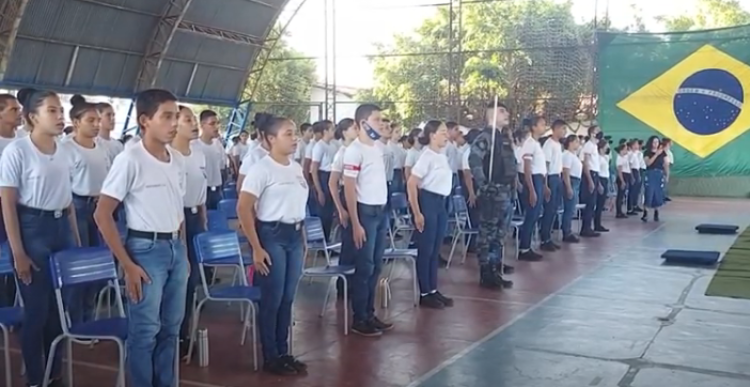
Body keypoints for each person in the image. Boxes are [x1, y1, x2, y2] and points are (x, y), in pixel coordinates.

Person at [94, 89, 189, 387]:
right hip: (146, 250)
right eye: (167, 117)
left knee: (171, 329)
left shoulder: (175, 160)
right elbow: (102, 214)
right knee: (145, 331)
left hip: (175, 248)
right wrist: (127, 264)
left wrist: (182, 249)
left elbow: (178, 209)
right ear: (145, 121)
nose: (174, 123)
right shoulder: (130, 159)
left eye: (176, 117)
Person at [0, 88, 81, 387]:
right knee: (37, 309)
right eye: (52, 111)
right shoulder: (17, 151)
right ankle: (36, 378)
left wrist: (75, 237)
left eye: (60, 110)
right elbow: (7, 203)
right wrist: (18, 251)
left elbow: (68, 198)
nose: (60, 116)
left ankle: (55, 373)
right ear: (32, 117)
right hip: (33, 229)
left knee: (60, 310)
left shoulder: (65, 149)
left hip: (61, 228)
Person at [236, 114, 308, 375]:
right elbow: (243, 208)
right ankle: (271, 356)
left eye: (294, 133)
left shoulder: (296, 167)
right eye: (288, 134)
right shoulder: (261, 169)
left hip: (294, 235)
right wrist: (256, 247)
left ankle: (284, 351)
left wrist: (302, 237)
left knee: (288, 298)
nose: (294, 138)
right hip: (272, 236)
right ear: (270, 139)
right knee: (273, 298)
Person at [343, 104, 394, 336]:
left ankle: (369, 313)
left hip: (380, 211)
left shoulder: (377, 148)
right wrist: (355, 222)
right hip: (365, 213)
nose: (381, 123)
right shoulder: (355, 151)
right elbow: (350, 189)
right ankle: (359, 318)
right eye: (376, 120)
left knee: (376, 265)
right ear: (363, 123)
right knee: (364, 267)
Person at [63, 95, 112, 323]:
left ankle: (90, 314)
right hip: (77, 206)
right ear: (76, 122)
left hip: (99, 207)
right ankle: (75, 318)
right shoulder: (66, 149)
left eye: (97, 120)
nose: (96, 124)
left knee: (97, 263)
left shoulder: (102, 147)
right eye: (90, 120)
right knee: (80, 262)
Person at [169, 106, 208, 356]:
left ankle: (184, 334)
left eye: (194, 119)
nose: (194, 124)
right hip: (176, 221)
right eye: (187, 120)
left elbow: (200, 191)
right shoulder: (170, 156)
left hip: (195, 218)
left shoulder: (199, 154)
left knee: (191, 283)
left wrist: (203, 219)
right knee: (178, 281)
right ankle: (172, 337)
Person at [468, 102, 517, 289]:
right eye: (502, 111)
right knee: (487, 234)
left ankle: (495, 269)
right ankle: (486, 272)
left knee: (499, 234)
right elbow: (474, 159)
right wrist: (484, 184)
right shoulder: (486, 137)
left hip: (505, 192)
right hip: (492, 192)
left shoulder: (502, 138)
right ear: (491, 114)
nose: (507, 114)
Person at [407, 120, 454, 309]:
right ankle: (424, 292)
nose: (446, 135)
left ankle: (433, 289)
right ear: (432, 135)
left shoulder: (440, 155)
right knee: (425, 250)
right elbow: (412, 183)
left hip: (441, 203)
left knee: (435, 250)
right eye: (442, 132)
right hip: (428, 202)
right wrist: (417, 212)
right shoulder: (426, 156)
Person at [328, 118, 358, 297]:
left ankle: (355, 283)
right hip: (346, 198)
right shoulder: (342, 153)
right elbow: (332, 183)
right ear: (345, 132)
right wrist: (340, 209)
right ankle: (343, 286)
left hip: (358, 198)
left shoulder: (360, 150)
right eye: (354, 128)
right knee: (349, 246)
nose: (357, 130)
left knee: (359, 246)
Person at [518, 116, 547, 260]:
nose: (544, 127)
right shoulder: (530, 143)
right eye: (541, 124)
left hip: (538, 180)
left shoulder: (537, 144)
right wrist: (532, 190)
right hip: (532, 181)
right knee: (531, 215)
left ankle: (527, 245)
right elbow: (527, 169)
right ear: (534, 127)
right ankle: (524, 248)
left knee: (535, 215)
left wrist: (544, 186)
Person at [539, 119, 565, 252]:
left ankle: (548, 237)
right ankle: (544, 239)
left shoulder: (558, 145)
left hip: (558, 177)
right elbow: (546, 165)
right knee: (549, 209)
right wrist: (545, 184)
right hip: (551, 178)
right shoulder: (549, 144)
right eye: (562, 129)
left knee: (554, 208)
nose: (563, 132)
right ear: (555, 129)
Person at [310, 120, 337, 238]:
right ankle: (321, 240)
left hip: (331, 176)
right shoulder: (319, 146)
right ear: (325, 131)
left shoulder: (333, 145)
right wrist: (319, 190)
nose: (334, 131)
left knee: (330, 213)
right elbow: (313, 169)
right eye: (331, 129)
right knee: (323, 212)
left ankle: (327, 237)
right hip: (323, 177)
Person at [194, 110, 224, 209]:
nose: (216, 127)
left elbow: (221, 167)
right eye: (212, 124)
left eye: (217, 123)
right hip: (202, 191)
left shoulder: (218, 144)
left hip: (217, 189)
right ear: (202, 125)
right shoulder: (194, 146)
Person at [579, 125, 603, 237]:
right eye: (597, 131)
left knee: (593, 203)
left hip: (595, 174)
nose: (599, 133)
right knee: (589, 203)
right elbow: (586, 164)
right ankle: (586, 228)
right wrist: (590, 180)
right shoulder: (589, 145)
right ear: (592, 133)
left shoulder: (594, 146)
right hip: (590, 174)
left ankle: (589, 226)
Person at [641, 136, 669, 222]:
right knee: (649, 192)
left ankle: (656, 212)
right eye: (654, 142)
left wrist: (667, 175)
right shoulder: (647, 152)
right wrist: (656, 154)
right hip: (650, 173)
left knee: (658, 193)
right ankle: (645, 212)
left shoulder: (663, 153)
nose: (656, 144)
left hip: (659, 173)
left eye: (657, 142)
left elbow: (666, 164)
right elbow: (648, 163)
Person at [560, 135, 582, 243]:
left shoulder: (574, 155)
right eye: (576, 142)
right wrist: (568, 187)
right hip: (571, 181)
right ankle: (566, 232)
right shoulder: (567, 155)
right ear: (570, 142)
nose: (578, 144)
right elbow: (566, 172)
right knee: (569, 208)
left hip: (576, 181)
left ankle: (568, 229)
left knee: (571, 208)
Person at [594, 139, 611, 232]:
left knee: (602, 203)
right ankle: (597, 224)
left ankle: (598, 223)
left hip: (605, 179)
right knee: (599, 204)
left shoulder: (605, 157)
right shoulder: (598, 158)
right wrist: (599, 184)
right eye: (606, 146)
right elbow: (597, 172)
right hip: (601, 179)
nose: (608, 148)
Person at [615, 143, 630, 218]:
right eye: (625, 149)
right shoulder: (619, 158)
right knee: (620, 196)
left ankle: (620, 211)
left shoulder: (624, 157)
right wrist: (622, 181)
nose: (626, 150)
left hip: (626, 175)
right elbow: (619, 171)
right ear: (621, 150)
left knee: (622, 195)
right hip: (622, 176)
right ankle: (618, 212)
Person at [626, 139, 642, 215]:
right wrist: (632, 176)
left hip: (637, 171)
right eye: (636, 144)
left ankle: (634, 205)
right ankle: (629, 208)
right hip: (633, 171)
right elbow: (630, 165)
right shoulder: (631, 154)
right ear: (632, 146)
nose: (637, 146)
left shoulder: (636, 153)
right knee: (631, 191)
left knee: (636, 191)